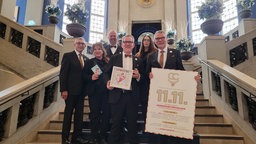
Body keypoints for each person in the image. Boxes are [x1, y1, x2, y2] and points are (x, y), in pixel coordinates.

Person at [146, 30, 200, 144]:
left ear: (166, 39)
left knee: (172, 123)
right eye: (157, 39)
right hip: (158, 96)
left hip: (172, 95)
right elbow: (146, 73)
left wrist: (192, 79)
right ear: (154, 41)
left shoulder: (175, 53)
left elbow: (181, 71)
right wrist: (149, 75)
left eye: (162, 38)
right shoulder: (150, 56)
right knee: (159, 125)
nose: (160, 40)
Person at [104, 35, 144, 144]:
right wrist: (107, 82)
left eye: (130, 42)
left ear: (133, 44)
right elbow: (106, 73)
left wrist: (139, 76)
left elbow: (144, 78)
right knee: (116, 124)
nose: (127, 44)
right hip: (117, 96)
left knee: (132, 124)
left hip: (132, 97)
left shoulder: (139, 60)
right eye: (125, 42)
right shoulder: (114, 58)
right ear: (122, 44)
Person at [59, 37, 89, 144]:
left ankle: (77, 137)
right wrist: (63, 89)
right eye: (79, 43)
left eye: (82, 44)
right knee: (68, 115)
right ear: (74, 44)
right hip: (70, 92)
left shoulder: (86, 58)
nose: (81, 45)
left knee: (79, 116)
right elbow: (63, 74)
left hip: (81, 93)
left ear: (85, 46)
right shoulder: (68, 56)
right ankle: (65, 138)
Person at [83, 42, 110, 144]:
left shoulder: (108, 62)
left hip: (106, 94)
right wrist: (91, 77)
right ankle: (93, 137)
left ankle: (103, 137)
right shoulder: (90, 62)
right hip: (94, 94)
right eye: (95, 49)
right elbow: (83, 76)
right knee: (95, 115)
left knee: (106, 115)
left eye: (99, 49)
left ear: (103, 50)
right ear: (93, 51)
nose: (97, 51)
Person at [135, 35, 157, 130]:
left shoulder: (155, 53)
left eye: (148, 40)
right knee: (144, 106)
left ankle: (153, 126)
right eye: (144, 40)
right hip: (141, 84)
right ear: (142, 42)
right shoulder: (137, 55)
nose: (146, 42)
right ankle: (145, 126)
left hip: (152, 83)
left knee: (152, 107)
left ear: (151, 42)